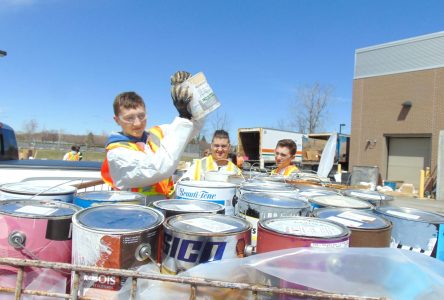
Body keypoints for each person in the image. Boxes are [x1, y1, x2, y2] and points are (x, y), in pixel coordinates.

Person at [101, 71, 203, 201]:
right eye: (129, 118)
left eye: (141, 116)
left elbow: (192, 126)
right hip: (133, 215)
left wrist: (192, 91)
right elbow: (158, 168)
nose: (137, 123)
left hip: (162, 210)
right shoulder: (117, 153)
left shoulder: (156, 134)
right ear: (117, 120)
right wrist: (183, 117)